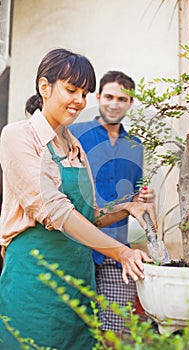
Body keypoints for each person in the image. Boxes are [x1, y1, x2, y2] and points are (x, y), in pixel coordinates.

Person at [0, 50, 157, 350]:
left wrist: (127, 206)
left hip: (78, 282)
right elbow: (56, 210)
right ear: (44, 87)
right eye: (71, 90)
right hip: (35, 283)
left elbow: (90, 212)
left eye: (84, 93)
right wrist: (121, 253)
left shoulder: (74, 147)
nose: (79, 101)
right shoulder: (17, 137)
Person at [69, 71, 155, 335]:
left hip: (117, 251)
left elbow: (135, 194)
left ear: (130, 103)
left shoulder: (136, 146)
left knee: (117, 333)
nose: (114, 103)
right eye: (108, 96)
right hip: (76, 247)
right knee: (73, 330)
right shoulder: (73, 134)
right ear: (98, 98)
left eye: (122, 98)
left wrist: (142, 198)